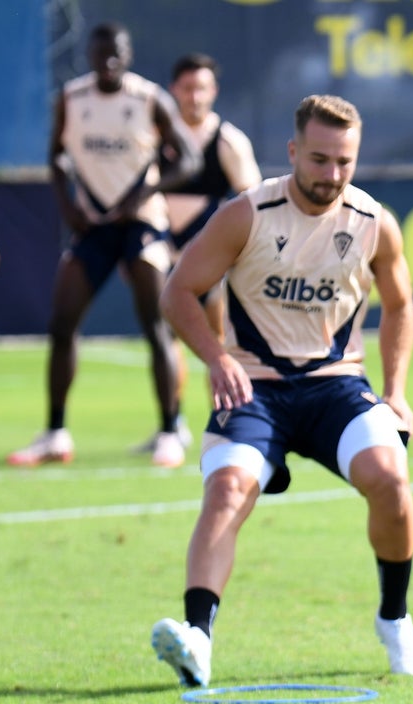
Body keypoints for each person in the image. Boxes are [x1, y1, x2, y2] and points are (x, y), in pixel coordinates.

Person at [150, 94, 413, 688]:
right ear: (293, 151)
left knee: (391, 476)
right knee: (226, 489)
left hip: (336, 388)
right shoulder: (246, 214)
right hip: (255, 387)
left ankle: (395, 617)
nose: (332, 175)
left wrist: (397, 391)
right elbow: (178, 292)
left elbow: (401, 305)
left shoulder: (373, 221)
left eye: (345, 162)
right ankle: (198, 638)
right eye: (320, 159)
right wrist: (217, 357)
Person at [7, 21, 200, 469]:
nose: (107, 62)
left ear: (128, 55)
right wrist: (66, 204)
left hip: (142, 224)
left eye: (116, 53)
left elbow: (186, 159)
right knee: (62, 322)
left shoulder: (149, 99)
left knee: (156, 322)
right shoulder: (72, 100)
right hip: (93, 222)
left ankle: (170, 430)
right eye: (100, 54)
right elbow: (55, 154)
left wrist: (146, 193)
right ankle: (55, 431)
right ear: (90, 57)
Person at [147, 52, 262, 453]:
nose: (194, 97)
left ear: (213, 92)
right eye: (186, 88)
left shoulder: (227, 140)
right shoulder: (156, 135)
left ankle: (225, 421)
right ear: (173, 90)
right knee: (163, 337)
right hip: (162, 251)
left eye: (202, 88)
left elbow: (252, 201)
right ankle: (171, 425)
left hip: (208, 262)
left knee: (215, 342)